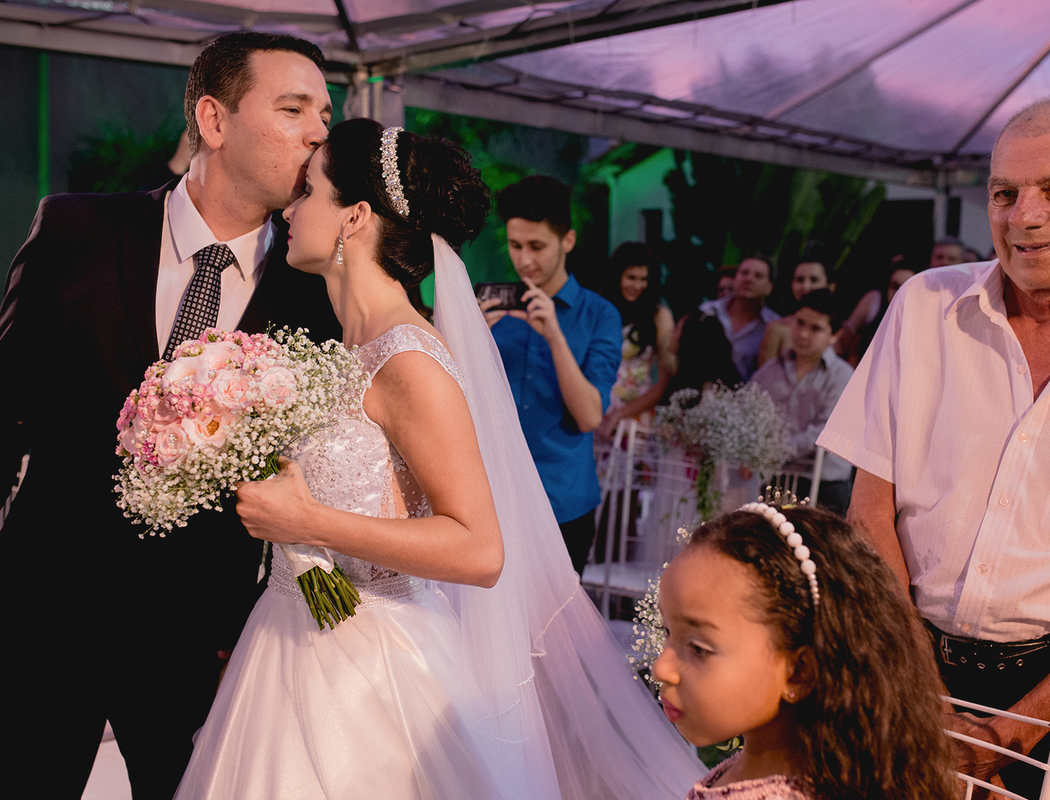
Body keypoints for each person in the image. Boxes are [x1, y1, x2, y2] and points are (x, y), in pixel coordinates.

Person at [178, 119, 703, 799]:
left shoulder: (408, 358)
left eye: (308, 191)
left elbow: (479, 550)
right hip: (288, 636)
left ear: (355, 217)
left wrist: (306, 518)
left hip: (371, 671)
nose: (290, 207)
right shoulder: (343, 346)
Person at [0, 32, 341, 799]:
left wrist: (320, 622)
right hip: (43, 617)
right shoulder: (76, 230)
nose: (319, 131)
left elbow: (327, 483)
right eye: (293, 108)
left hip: (202, 647)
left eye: (324, 111)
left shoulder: (320, 291)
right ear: (214, 121)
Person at [818, 96, 1050, 797]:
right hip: (906, 656)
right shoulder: (925, 307)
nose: (1025, 215)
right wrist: (919, 683)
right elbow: (870, 511)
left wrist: (1020, 726)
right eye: (1004, 193)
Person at [655, 503, 958, 800]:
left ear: (798, 672)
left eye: (698, 648)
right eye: (667, 632)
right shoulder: (766, 769)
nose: (660, 668)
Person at [481, 176, 622, 574]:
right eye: (515, 245)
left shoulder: (600, 314)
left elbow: (590, 417)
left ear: (568, 241)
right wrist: (468, 337)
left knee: (555, 634)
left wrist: (556, 338)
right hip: (492, 498)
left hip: (563, 501)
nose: (524, 260)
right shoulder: (491, 308)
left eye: (537, 247)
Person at [751, 291, 854, 515]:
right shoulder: (771, 370)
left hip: (825, 484)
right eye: (799, 323)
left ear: (834, 335)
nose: (803, 334)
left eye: (815, 328)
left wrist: (773, 450)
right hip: (776, 479)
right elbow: (748, 412)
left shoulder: (842, 376)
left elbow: (824, 433)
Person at [598, 241, 677, 434]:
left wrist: (621, 413)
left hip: (635, 415)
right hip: (594, 410)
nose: (637, 285)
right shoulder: (599, 308)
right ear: (617, 275)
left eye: (644, 279)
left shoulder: (659, 315)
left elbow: (667, 379)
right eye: (631, 277)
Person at [699, 254, 778, 381]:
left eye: (758, 276)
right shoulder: (706, 312)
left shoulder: (773, 326)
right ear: (735, 278)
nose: (749, 279)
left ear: (769, 287)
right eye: (744, 273)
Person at [833, 257, 915, 365]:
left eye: (906, 289)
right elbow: (843, 339)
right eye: (895, 287)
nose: (899, 294)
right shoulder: (874, 302)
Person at [756, 259, 830, 368]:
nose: (805, 286)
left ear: (831, 285)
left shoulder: (844, 334)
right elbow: (763, 380)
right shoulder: (777, 328)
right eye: (799, 280)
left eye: (814, 280)